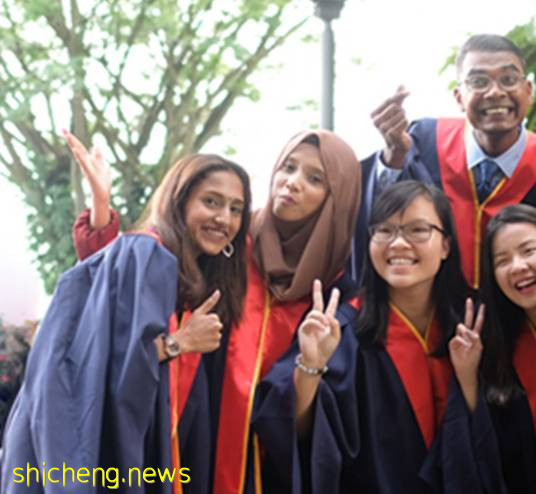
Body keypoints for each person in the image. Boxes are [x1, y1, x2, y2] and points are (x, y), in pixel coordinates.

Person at [66, 129, 363, 493]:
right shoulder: (227, 243)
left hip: (268, 470)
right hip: (188, 442)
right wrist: (100, 210)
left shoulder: (338, 294)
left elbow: (315, 429)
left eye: (315, 178)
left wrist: (310, 366)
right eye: (289, 167)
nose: (293, 182)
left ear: (339, 198)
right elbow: (124, 293)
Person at [2, 152, 252, 493]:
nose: (224, 218)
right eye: (211, 202)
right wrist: (180, 343)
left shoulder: (193, 278)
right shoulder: (146, 254)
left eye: (236, 209)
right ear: (179, 201)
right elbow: (101, 362)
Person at [253, 181, 471, 493]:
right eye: (385, 230)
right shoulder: (340, 330)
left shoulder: (471, 324)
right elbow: (292, 432)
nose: (398, 243)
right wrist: (310, 366)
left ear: (446, 245)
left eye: (418, 230)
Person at [363, 33, 536, 286]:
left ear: (528, 91)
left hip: (517, 305)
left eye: (508, 80)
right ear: (459, 97)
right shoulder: (425, 141)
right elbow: (380, 217)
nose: (495, 92)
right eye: (478, 82)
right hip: (432, 303)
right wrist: (394, 155)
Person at [430, 204, 536, 493]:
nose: (518, 267)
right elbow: (477, 453)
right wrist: (468, 375)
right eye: (502, 260)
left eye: (529, 250)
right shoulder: (493, 346)